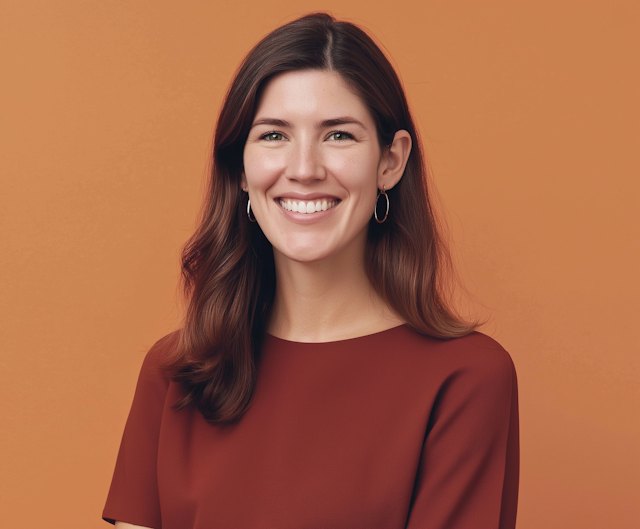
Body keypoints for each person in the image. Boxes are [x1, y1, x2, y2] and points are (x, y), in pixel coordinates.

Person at [103, 12, 519, 529]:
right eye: (274, 135)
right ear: (240, 168)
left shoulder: (466, 379)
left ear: (390, 162)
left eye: (338, 135)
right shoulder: (177, 372)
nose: (303, 169)